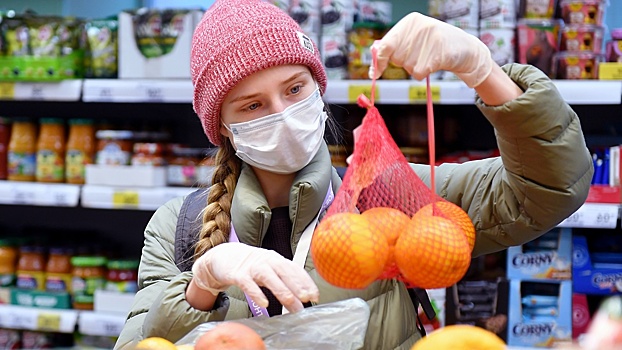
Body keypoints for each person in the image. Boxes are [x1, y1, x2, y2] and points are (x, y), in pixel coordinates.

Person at [115, 0, 594, 349]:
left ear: (317, 88)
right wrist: (203, 283)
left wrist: (482, 69)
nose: (282, 113)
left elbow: (548, 190)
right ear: (221, 125)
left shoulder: (395, 197)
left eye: (295, 88)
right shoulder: (178, 226)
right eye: (253, 105)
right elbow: (138, 342)